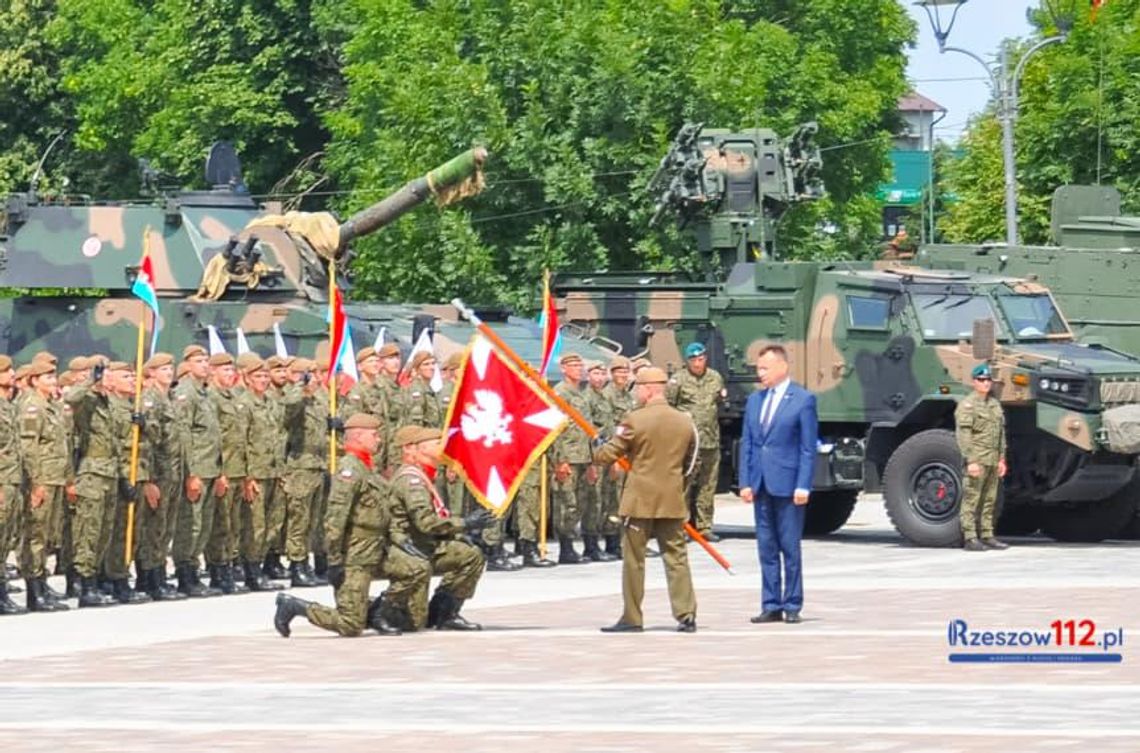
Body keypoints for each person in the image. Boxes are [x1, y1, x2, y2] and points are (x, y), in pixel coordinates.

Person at [274, 413, 401, 638]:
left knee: (416, 568)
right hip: (355, 554)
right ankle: (296, 606)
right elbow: (335, 519)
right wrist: (333, 560)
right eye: (374, 435)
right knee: (351, 625)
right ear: (359, 436)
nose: (379, 440)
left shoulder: (366, 466)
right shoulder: (349, 470)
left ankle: (375, 612)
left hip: (375, 547)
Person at [594, 366, 698, 634]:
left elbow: (610, 453)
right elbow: (690, 464)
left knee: (634, 561)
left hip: (639, 500)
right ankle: (686, 614)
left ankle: (632, 616)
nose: (637, 393)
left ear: (650, 389)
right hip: (672, 499)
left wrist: (597, 447)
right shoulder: (684, 420)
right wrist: (677, 484)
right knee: (676, 558)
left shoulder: (634, 420)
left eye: (639, 387)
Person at [738, 345, 817, 625]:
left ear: (782, 367)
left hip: (787, 484)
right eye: (758, 368)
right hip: (761, 484)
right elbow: (748, 443)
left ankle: (792, 603)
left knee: (790, 547)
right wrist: (745, 481)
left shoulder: (803, 400)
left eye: (765, 368)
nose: (760, 374)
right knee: (766, 547)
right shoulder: (754, 401)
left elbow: (808, 447)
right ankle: (770, 603)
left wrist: (803, 485)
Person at [667, 342, 727, 542]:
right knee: (684, 485)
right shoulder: (678, 380)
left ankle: (704, 526)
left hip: (710, 440)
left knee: (707, 485)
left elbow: (717, 402)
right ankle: (682, 526)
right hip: (688, 443)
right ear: (687, 361)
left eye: (700, 359)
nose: (698, 363)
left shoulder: (715, 378)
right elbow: (670, 406)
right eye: (693, 360)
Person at [955, 363, 1009, 551]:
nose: (985, 383)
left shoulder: (994, 405)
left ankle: (987, 534)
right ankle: (970, 537)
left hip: (993, 460)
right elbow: (964, 435)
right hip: (978, 459)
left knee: (989, 500)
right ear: (974, 382)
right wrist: (971, 460)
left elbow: (1000, 434)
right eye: (981, 380)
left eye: (988, 380)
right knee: (972, 498)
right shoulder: (968, 405)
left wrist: (1002, 458)